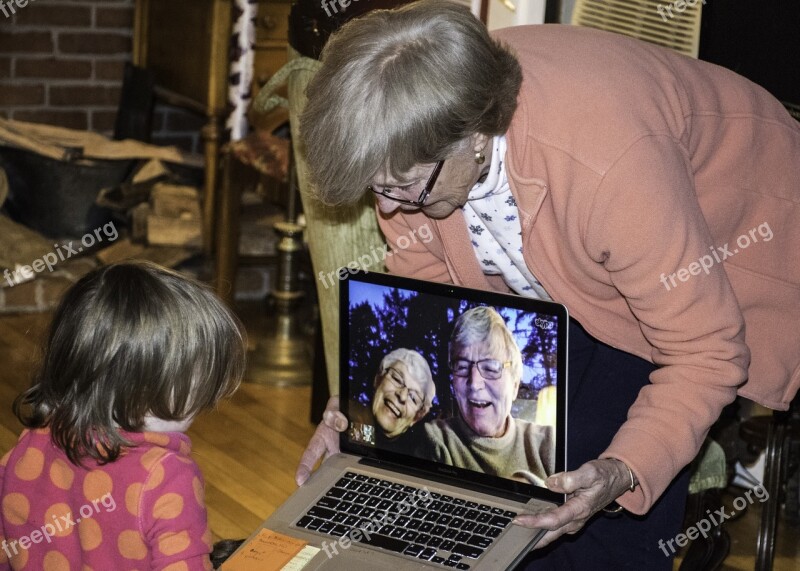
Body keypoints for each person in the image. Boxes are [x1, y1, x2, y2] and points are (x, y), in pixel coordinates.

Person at [294, 1, 800, 569]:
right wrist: (360, 417)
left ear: (477, 133)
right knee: (497, 478)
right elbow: (433, 300)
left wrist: (620, 472)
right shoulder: (416, 153)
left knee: (592, 488)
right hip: (582, 268)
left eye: (402, 186)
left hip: (722, 242)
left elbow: (704, 352)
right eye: (375, 188)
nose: (387, 207)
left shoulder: (607, 167)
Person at [0, 261, 246, 570]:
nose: (210, 391)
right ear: (146, 385)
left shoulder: (29, 446)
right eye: (202, 377)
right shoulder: (166, 475)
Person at [423, 306, 554, 485]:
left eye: (491, 368)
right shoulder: (434, 440)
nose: (475, 384)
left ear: (515, 386)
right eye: (462, 367)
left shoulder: (548, 443)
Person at [348, 348, 436, 446]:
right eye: (397, 379)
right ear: (378, 378)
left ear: (416, 417)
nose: (402, 396)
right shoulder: (348, 417)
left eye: (413, 398)